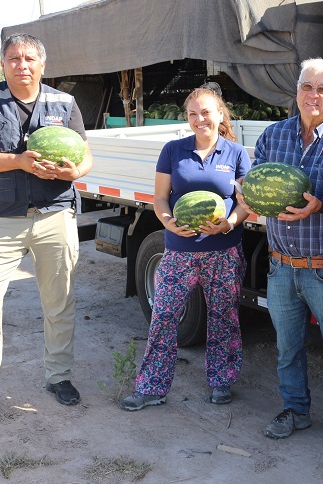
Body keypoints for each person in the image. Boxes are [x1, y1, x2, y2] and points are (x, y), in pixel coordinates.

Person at [0, 33, 94, 413]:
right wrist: (18, 161)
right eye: (13, 58)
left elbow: (85, 155)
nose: (22, 64)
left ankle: (59, 376)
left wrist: (75, 169)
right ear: (3, 64)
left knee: (58, 301)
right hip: (5, 216)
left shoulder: (65, 102)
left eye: (30, 58)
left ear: (43, 64)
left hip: (56, 213)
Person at [238, 58, 323, 449]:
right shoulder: (274, 136)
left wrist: (321, 205)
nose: (313, 95)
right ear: (297, 92)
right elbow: (255, 182)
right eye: (307, 86)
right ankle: (295, 409)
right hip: (280, 265)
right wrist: (247, 193)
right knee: (287, 348)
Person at [120, 87, 251, 411]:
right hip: (179, 252)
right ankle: (152, 386)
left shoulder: (236, 153)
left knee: (224, 317)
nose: (199, 119)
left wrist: (229, 223)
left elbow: (246, 204)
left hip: (224, 251)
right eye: (192, 114)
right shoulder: (173, 150)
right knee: (163, 315)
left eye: (205, 112)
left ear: (220, 114)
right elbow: (161, 197)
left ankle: (221, 381)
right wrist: (167, 221)